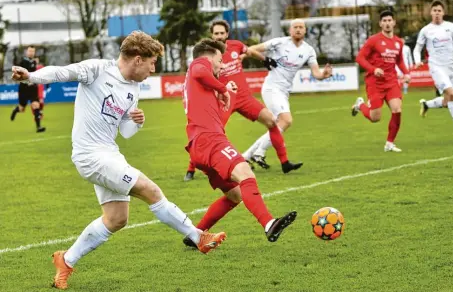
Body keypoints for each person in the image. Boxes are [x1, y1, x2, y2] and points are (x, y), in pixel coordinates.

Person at [11, 31, 226, 290]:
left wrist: (137, 122)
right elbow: (61, 72)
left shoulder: (133, 89)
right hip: (89, 155)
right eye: (152, 62)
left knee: (116, 219)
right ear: (137, 59)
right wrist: (31, 76)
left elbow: (125, 132)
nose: (153, 68)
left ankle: (65, 260)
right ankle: (198, 236)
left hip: (110, 153)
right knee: (150, 189)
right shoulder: (97, 69)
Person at [182, 38, 297, 248]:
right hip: (210, 141)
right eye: (219, 60)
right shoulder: (200, 64)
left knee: (235, 195)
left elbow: (220, 120)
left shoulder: (203, 88)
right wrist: (224, 89)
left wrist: (229, 94)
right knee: (245, 173)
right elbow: (200, 70)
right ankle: (269, 223)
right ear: (209, 55)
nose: (222, 64)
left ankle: (194, 234)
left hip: (200, 145)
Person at [183, 20, 302, 182]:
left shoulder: (236, 45)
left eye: (221, 33)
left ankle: (285, 162)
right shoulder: (209, 55)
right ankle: (190, 170)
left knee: (272, 122)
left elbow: (250, 51)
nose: (219, 36)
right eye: (216, 33)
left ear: (227, 34)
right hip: (224, 100)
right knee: (209, 135)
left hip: (245, 98)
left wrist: (264, 60)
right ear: (212, 35)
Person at [242, 19, 333, 168]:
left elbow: (316, 73)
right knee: (286, 120)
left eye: (301, 27)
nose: (298, 29)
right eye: (295, 27)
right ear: (290, 30)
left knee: (277, 125)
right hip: (271, 88)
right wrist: (242, 57)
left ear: (305, 31)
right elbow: (252, 48)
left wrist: (324, 74)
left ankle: (248, 155)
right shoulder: (279, 42)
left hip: (284, 92)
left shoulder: (308, 50)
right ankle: (258, 152)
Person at [351, 10, 411, 152]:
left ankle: (389, 143)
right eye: (384, 21)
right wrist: (373, 69)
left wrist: (407, 73)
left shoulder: (398, 42)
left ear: (394, 22)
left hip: (391, 81)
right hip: (375, 83)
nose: (387, 23)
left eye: (389, 20)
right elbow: (359, 58)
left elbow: (400, 60)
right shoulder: (373, 40)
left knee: (397, 109)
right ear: (380, 24)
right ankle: (360, 105)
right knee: (375, 117)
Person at [414, 0, 453, 139]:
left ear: (443, 12)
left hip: (450, 67)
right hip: (436, 67)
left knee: (447, 101)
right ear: (431, 13)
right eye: (434, 11)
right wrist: (417, 61)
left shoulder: (451, 27)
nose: (437, 13)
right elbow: (417, 49)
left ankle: (426, 104)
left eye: (439, 11)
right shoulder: (426, 30)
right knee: (452, 94)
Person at [10, 45, 46, 132]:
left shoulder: (34, 62)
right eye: (30, 51)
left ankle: (38, 127)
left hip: (33, 88)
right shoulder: (23, 62)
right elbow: (17, 72)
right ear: (27, 52)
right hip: (24, 88)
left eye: (33, 51)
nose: (31, 53)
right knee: (22, 109)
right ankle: (15, 110)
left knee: (36, 106)